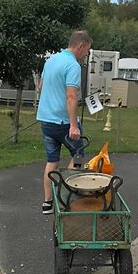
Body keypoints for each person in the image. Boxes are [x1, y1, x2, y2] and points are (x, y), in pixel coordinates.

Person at [36, 30, 92, 214]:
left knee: (51, 161)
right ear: (80, 46)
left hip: (46, 120)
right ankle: (66, 199)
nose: (87, 55)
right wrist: (73, 125)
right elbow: (71, 95)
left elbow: (40, 87)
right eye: (87, 51)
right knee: (78, 155)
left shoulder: (50, 60)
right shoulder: (72, 65)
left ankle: (47, 203)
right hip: (64, 123)